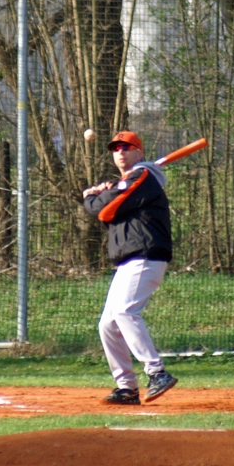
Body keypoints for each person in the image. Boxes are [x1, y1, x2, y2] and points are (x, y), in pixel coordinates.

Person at [82, 131, 178, 405]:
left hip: (145, 256)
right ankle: (126, 388)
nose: (121, 152)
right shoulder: (128, 182)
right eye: (116, 149)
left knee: (125, 311)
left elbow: (102, 210)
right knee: (108, 324)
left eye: (127, 147)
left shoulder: (142, 176)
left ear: (139, 152)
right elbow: (110, 212)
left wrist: (90, 196)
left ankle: (157, 372)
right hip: (128, 260)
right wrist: (105, 193)